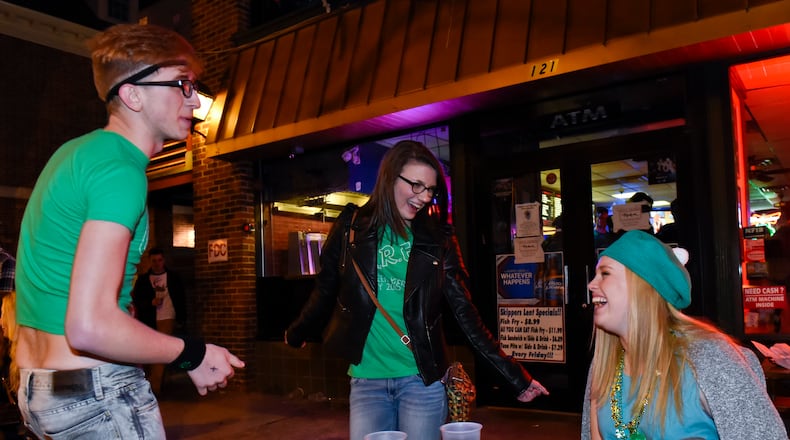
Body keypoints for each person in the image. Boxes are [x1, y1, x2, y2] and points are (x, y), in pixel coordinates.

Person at [14, 23, 244, 439]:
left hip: (41, 387)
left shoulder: (76, 153)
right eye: (182, 84)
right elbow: (89, 326)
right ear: (132, 94)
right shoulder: (122, 171)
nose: (194, 100)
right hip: (94, 395)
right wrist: (192, 354)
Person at [285, 140, 548, 440]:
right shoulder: (351, 228)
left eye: (431, 189)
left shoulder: (438, 239)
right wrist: (297, 331)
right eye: (416, 185)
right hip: (367, 381)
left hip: (421, 381)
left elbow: (465, 313)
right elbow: (325, 288)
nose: (424, 197)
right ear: (390, 178)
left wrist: (515, 376)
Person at [582, 230, 787, 439]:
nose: (591, 285)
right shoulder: (604, 365)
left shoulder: (710, 360)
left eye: (605, 273)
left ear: (645, 286)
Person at [132, 247, 187, 394]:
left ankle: (154, 386)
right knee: (150, 351)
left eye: (159, 260)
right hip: (149, 319)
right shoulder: (144, 280)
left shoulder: (173, 277)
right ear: (150, 261)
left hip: (167, 316)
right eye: (154, 261)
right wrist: (150, 302)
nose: (157, 263)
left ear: (164, 260)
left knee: (160, 349)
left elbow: (181, 298)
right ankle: (152, 382)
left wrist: (182, 318)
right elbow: (137, 299)